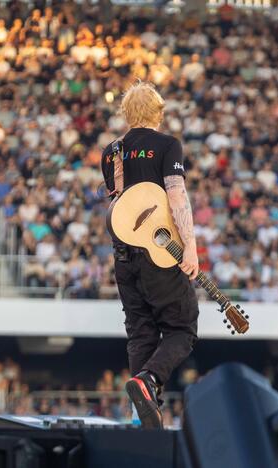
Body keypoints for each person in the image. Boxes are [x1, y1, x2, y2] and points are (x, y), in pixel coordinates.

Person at [100, 82, 200, 429]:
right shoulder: (167, 144)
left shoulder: (111, 151)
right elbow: (176, 195)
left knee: (141, 331)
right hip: (158, 253)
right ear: (159, 113)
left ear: (127, 114)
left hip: (123, 257)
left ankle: (141, 414)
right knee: (182, 327)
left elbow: (122, 207)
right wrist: (190, 244)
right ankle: (150, 380)